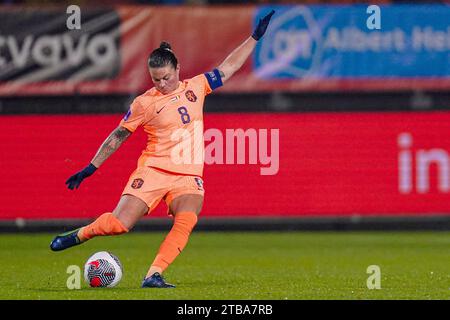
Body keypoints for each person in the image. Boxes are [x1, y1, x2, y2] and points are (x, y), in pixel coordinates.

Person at [50, 10, 275, 288]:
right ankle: (82, 234)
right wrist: (91, 167)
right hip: (153, 170)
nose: (161, 84)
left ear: (177, 68)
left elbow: (228, 67)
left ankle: (153, 274)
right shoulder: (144, 103)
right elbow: (117, 136)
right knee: (120, 225)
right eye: (155, 79)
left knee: (187, 218)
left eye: (166, 77)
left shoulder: (197, 86)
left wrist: (254, 38)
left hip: (188, 175)